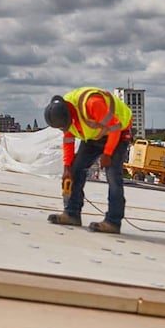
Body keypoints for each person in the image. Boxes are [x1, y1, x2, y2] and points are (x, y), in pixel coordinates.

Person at [43, 88, 132, 234]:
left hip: (118, 132)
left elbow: (115, 127)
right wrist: (67, 167)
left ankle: (113, 222)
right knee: (75, 170)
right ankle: (72, 213)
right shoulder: (64, 113)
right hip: (94, 136)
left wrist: (108, 153)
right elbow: (68, 140)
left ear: (69, 114)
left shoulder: (92, 104)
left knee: (113, 176)